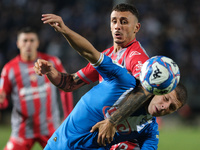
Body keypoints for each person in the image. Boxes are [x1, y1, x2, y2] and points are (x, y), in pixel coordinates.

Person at [34, 13, 187, 150]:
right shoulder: (120, 75)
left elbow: (145, 89)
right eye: (115, 21)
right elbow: (72, 80)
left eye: (172, 107)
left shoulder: (148, 127)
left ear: (136, 27)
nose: (164, 106)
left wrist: (112, 122)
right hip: (61, 144)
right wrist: (52, 71)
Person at [0, 27, 73, 150]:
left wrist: (68, 115)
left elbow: (66, 88)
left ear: (38, 42)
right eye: (25, 40)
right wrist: (2, 102)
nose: (28, 44)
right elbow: (3, 100)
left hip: (50, 128)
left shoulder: (51, 62)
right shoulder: (9, 69)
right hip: (22, 130)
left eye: (32, 40)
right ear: (18, 43)